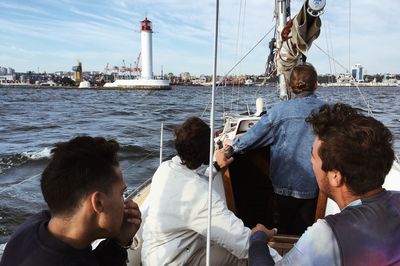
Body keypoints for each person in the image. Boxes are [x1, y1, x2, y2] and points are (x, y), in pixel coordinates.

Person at [249, 103, 400, 266]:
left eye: (313, 156)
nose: (311, 162)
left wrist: (258, 239)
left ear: (336, 176)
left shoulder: (327, 235)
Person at [141, 116, 281, 266]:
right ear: (207, 150)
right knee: (246, 256)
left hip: (160, 256)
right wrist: (280, 259)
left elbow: (194, 182)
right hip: (179, 261)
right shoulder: (200, 196)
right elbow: (239, 238)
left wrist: (216, 167)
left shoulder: (166, 168)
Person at [0, 136, 142, 266]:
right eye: (121, 193)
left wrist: (118, 243)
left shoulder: (34, 226)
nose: (125, 203)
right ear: (98, 203)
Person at [224, 63, 326, 234]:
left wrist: (232, 146)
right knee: (308, 230)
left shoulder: (277, 112)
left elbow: (252, 138)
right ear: (316, 85)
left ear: (291, 87)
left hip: (283, 188)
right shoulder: (329, 111)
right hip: (317, 187)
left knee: (284, 226)